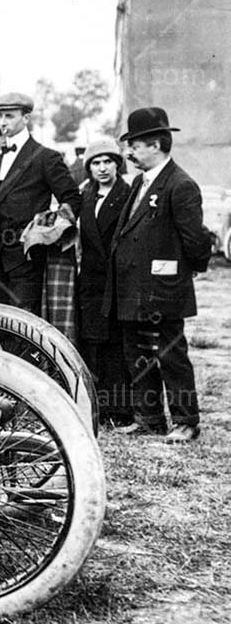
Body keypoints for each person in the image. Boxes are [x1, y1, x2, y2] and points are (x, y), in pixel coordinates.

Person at [105, 107, 209, 443]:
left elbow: (195, 242)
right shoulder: (140, 182)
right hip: (134, 288)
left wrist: (179, 275)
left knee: (170, 354)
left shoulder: (180, 185)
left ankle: (186, 421)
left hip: (163, 289)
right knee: (139, 353)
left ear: (156, 145)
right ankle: (149, 418)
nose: (129, 152)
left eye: (134, 145)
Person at [0, 92, 80, 315]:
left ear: (26, 119)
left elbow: (72, 199)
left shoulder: (46, 157)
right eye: (0, 116)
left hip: (25, 259)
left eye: (9, 116)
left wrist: (47, 230)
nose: (3, 122)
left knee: (22, 327)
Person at [74, 137, 133, 428]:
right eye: (96, 163)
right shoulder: (85, 196)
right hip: (90, 282)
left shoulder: (129, 194)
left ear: (117, 164)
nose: (102, 168)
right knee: (92, 344)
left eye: (108, 161)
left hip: (118, 280)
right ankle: (96, 406)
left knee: (116, 347)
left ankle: (121, 410)